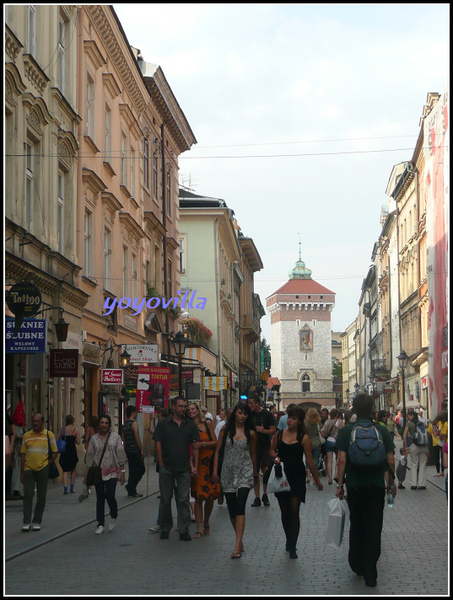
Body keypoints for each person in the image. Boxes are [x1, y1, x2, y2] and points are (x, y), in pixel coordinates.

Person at [335, 394, 395, 588]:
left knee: (357, 523)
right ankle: (371, 573)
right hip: (376, 486)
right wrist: (390, 483)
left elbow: (342, 460)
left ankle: (357, 564)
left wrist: (340, 485)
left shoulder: (346, 431)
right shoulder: (382, 430)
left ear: (353, 408)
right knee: (374, 527)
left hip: (355, 485)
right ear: (372, 409)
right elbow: (390, 460)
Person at [270, 406, 323, 558]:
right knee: (285, 512)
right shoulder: (279, 434)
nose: (290, 421)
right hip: (282, 476)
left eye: (293, 418)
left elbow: (310, 460)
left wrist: (317, 479)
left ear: (300, 421)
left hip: (297, 476)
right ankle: (289, 538)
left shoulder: (303, 438)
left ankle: (293, 546)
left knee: (294, 512)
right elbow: (271, 450)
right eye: (289, 417)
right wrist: (275, 457)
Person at [211, 401, 258, 559]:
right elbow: (217, 452)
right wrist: (215, 471)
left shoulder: (250, 433)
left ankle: (237, 546)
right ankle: (240, 539)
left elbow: (253, 455)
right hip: (228, 472)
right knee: (232, 508)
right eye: (240, 413)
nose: (242, 416)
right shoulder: (225, 431)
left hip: (244, 471)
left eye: (245, 413)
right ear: (235, 414)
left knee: (240, 506)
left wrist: (255, 474)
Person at [152, 396, 200, 541]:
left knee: (183, 499)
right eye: (180, 406)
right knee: (166, 499)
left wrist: (195, 465)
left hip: (184, 468)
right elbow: (158, 444)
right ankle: (166, 527)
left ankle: (183, 529)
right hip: (166, 467)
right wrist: (160, 464)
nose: (183, 409)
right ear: (173, 406)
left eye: (184, 406)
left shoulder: (190, 425)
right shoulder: (163, 424)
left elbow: (195, 445)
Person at [84, 415, 126, 535]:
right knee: (100, 497)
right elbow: (90, 456)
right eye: (102, 422)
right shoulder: (94, 439)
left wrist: (122, 472)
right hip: (98, 471)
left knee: (110, 495)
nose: (104, 425)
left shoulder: (115, 437)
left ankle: (113, 514)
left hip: (112, 470)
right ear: (98, 424)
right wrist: (87, 476)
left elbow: (120, 453)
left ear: (109, 424)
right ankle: (100, 523)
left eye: (106, 423)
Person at [186, 402, 220, 538]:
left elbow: (215, 442)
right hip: (196, 464)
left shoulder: (207, 424)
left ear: (198, 410)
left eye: (192, 409)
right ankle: (199, 528)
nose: (190, 411)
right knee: (198, 497)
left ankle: (206, 521)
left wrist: (203, 444)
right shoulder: (187, 426)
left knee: (210, 496)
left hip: (209, 464)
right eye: (188, 410)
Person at [20, 413, 58, 532]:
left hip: (43, 468)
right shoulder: (26, 435)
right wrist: (22, 472)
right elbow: (23, 454)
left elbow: (55, 452)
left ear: (42, 422)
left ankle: (36, 521)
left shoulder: (48, 435)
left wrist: (47, 463)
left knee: (41, 496)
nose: (35, 423)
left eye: (37, 421)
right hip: (28, 468)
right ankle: (26, 521)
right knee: (28, 495)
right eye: (33, 421)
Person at [248, 394, 276, 506]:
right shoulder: (249, 415)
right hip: (253, 446)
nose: (249, 405)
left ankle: (265, 494)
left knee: (266, 470)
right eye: (249, 403)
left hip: (265, 445)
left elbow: (273, 430)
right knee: (255, 471)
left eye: (251, 403)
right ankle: (257, 497)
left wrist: (264, 430)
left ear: (257, 403)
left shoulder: (267, 414)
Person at [122, 405, 145, 498]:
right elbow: (137, 437)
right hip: (135, 450)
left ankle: (131, 490)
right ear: (132, 413)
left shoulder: (124, 424)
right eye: (136, 412)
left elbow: (123, 438)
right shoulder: (134, 423)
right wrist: (142, 449)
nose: (136, 414)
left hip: (128, 450)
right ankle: (131, 486)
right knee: (141, 469)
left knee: (132, 470)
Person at [403, 409, 428, 490]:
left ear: (412, 415)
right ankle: (422, 484)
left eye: (408, 416)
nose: (408, 418)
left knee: (414, 465)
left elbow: (404, 435)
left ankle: (413, 484)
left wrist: (406, 446)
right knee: (422, 465)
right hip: (423, 446)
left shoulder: (409, 424)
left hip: (414, 446)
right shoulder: (421, 423)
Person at [57, 415, 81, 494]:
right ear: (73, 421)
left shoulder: (62, 429)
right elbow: (78, 442)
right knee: (73, 469)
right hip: (72, 451)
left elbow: (57, 439)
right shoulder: (76, 430)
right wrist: (72, 440)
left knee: (65, 470)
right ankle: (72, 488)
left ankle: (65, 489)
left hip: (64, 451)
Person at [78, 415, 99, 503]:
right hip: (97, 449)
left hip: (91, 449)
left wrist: (85, 442)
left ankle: (88, 485)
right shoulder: (98, 429)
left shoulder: (89, 428)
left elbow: (86, 438)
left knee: (88, 466)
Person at [320, 408, 343, 484]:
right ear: (337, 414)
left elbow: (323, 432)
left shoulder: (327, 422)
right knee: (338, 459)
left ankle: (329, 478)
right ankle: (336, 475)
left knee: (329, 461)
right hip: (336, 442)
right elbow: (341, 430)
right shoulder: (339, 421)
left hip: (328, 441)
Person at [304, 408, 324, 484]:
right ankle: (315, 478)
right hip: (317, 442)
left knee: (308, 458)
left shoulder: (306, 423)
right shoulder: (318, 423)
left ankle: (308, 476)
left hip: (307, 442)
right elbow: (322, 431)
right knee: (315, 459)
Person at [428, 411, 447, 477]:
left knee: (436, 458)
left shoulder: (431, 425)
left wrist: (434, 436)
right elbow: (443, 432)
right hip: (442, 442)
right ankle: (442, 471)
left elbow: (429, 432)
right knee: (442, 457)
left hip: (434, 442)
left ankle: (437, 472)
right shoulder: (441, 423)